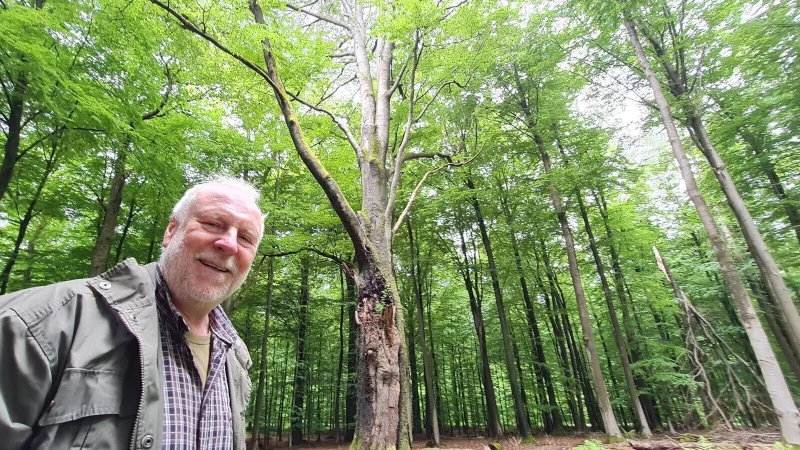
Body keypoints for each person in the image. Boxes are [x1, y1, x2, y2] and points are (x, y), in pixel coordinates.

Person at [0, 176, 264, 450]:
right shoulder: (38, 323)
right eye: (212, 224)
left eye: (245, 238)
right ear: (171, 231)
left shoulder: (236, 357)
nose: (229, 244)